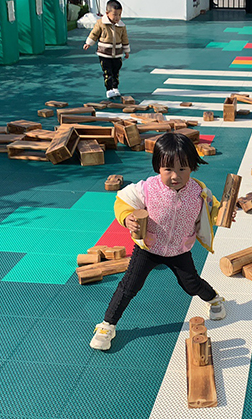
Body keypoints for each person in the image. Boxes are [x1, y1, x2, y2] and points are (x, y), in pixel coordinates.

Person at [90, 133, 227, 351]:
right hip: (149, 247)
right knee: (129, 286)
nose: (175, 176)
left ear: (192, 166)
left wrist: (222, 213)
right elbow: (122, 202)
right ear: (158, 167)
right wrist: (127, 218)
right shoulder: (146, 189)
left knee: (190, 284)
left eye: (182, 169)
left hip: (179, 250)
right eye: (168, 169)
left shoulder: (199, 192)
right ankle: (107, 325)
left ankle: (215, 299)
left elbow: (215, 209)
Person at [83, 0, 130, 99]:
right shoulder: (101, 23)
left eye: (119, 14)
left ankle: (115, 87)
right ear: (107, 13)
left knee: (116, 71)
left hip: (117, 54)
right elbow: (94, 34)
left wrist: (126, 50)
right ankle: (109, 89)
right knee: (107, 72)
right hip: (104, 53)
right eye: (115, 15)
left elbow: (124, 38)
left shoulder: (121, 26)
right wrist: (89, 43)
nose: (117, 17)